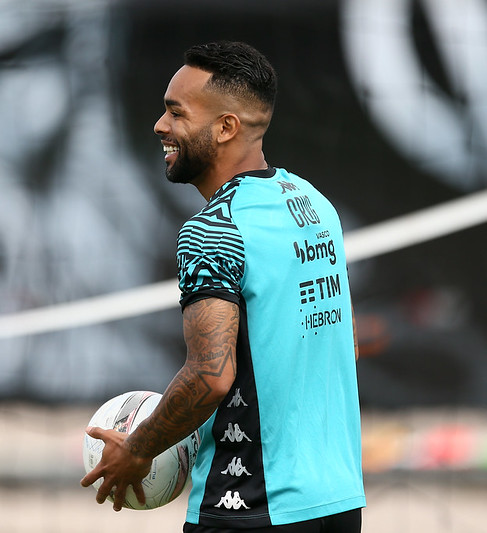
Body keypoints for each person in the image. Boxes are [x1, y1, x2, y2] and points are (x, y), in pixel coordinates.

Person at [80, 41, 366, 532]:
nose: (160, 125)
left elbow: (210, 376)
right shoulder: (313, 204)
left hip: (249, 505)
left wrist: (138, 449)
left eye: (176, 112)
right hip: (336, 502)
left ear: (226, 127)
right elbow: (347, 345)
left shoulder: (213, 230)